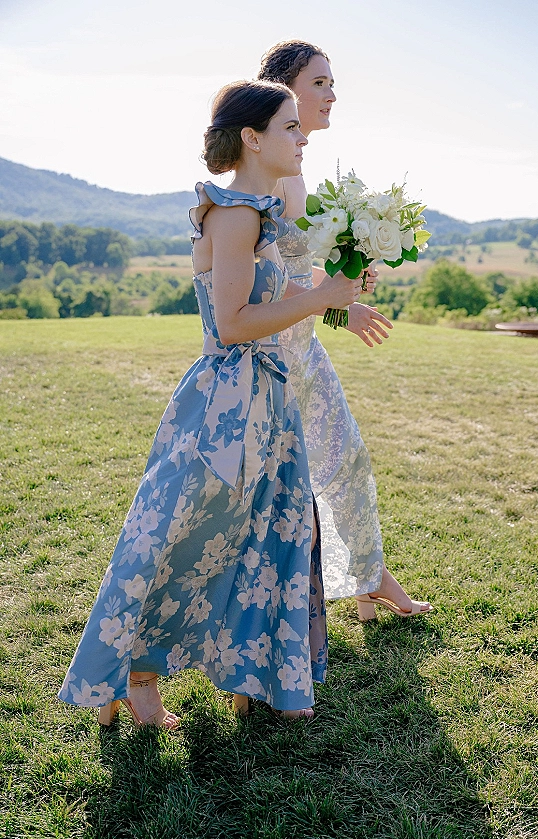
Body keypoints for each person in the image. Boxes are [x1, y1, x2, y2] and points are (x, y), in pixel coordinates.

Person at [58, 79, 363, 725]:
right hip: (227, 401)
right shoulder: (234, 213)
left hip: (270, 397)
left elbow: (281, 304)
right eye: (288, 126)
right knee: (181, 535)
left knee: (272, 533)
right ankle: (135, 680)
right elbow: (232, 322)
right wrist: (321, 296)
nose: (302, 134)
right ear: (252, 138)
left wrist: (337, 294)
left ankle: (260, 675)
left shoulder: (261, 210)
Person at [258, 41, 433, 620]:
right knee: (302, 480)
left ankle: (364, 579)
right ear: (287, 89)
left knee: (343, 460)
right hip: (273, 355)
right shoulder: (271, 173)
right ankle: (354, 584)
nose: (332, 95)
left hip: (300, 347)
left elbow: (294, 263)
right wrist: (339, 306)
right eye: (320, 83)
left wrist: (350, 280)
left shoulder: (294, 168)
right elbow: (266, 275)